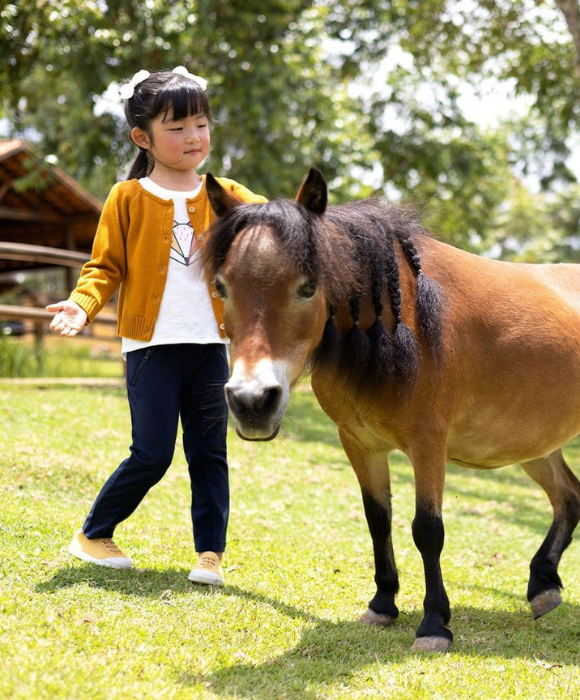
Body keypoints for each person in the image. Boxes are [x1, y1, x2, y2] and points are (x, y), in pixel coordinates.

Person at [47, 67, 266, 585]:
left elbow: (280, 218)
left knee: (209, 452)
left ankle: (209, 554)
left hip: (211, 345)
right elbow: (104, 268)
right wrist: (82, 305)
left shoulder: (227, 193)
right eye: (177, 127)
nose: (194, 137)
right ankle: (94, 534)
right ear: (142, 137)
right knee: (151, 452)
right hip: (150, 346)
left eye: (201, 124)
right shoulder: (127, 198)